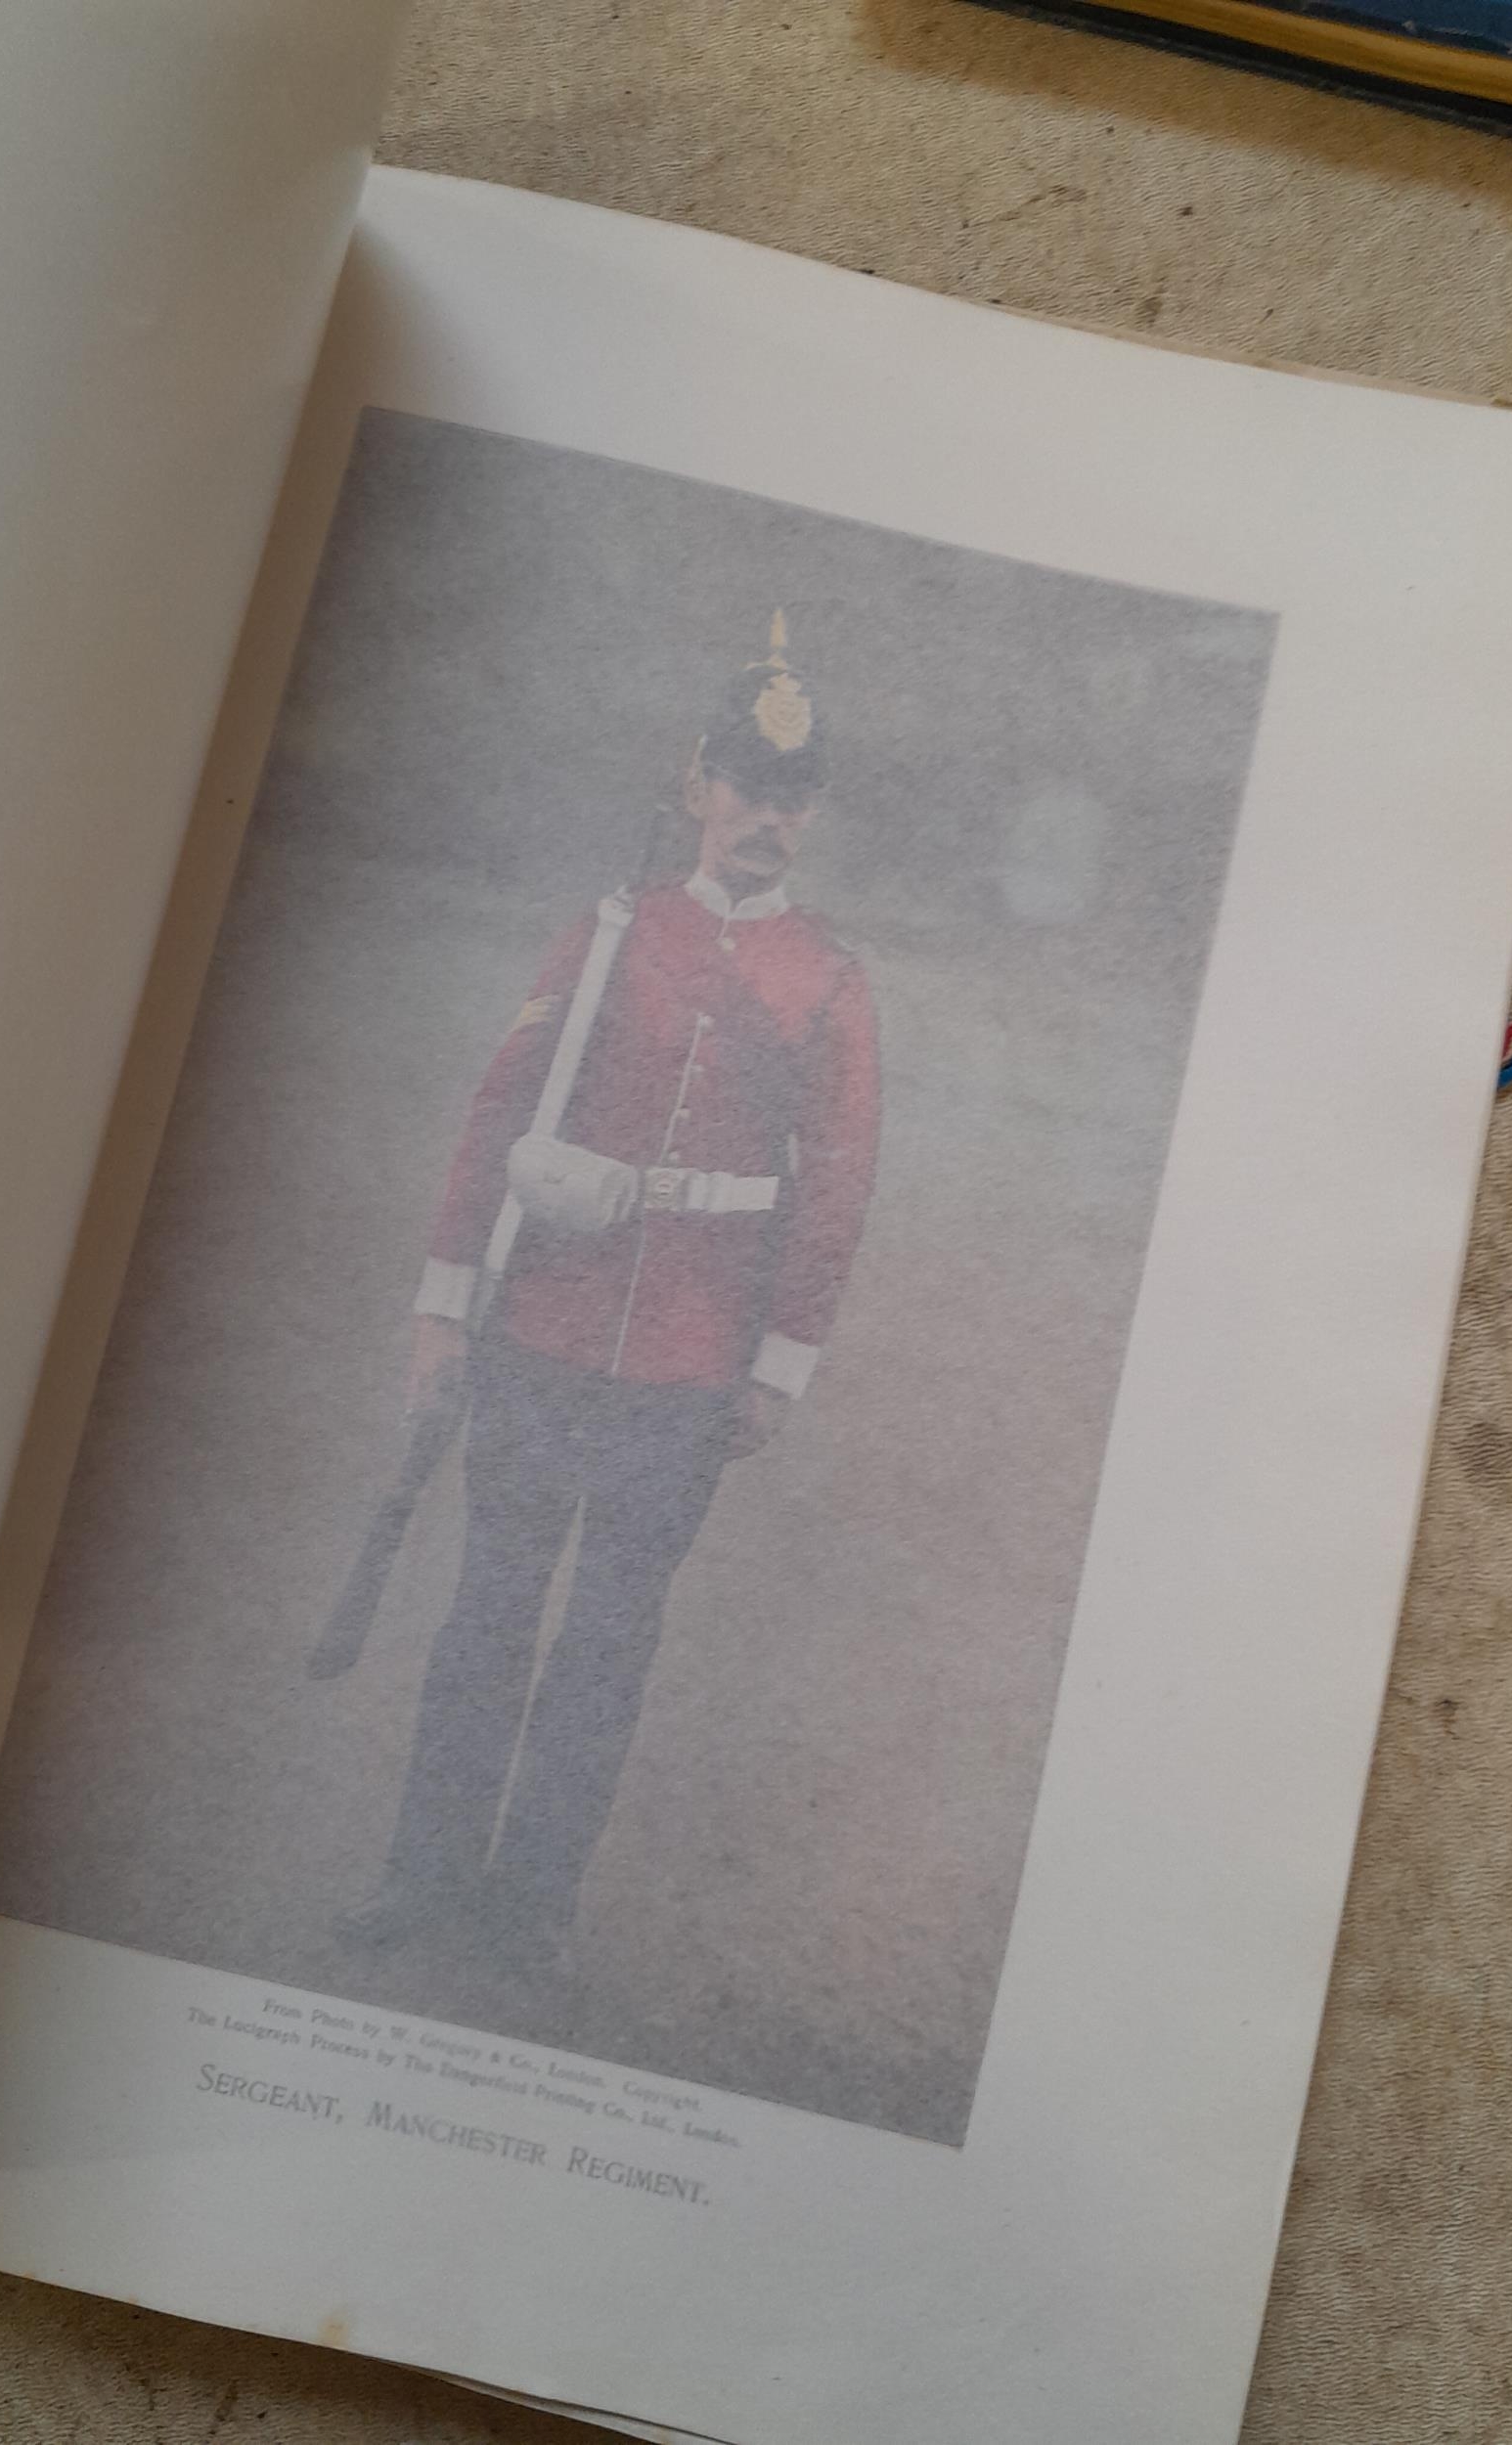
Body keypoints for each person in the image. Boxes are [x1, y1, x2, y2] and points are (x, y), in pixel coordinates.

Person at [338, 616, 880, 1972]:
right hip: (542, 1330)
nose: (768, 819)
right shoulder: (610, 933)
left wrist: (780, 1364)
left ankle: (532, 1910)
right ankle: (422, 1877)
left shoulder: (828, 979)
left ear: (811, 817)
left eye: (794, 798)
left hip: (693, 1365)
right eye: (748, 787)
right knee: (488, 1614)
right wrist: (442, 1306)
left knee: (608, 1643)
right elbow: (501, 1111)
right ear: (698, 785)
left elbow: (837, 1187)